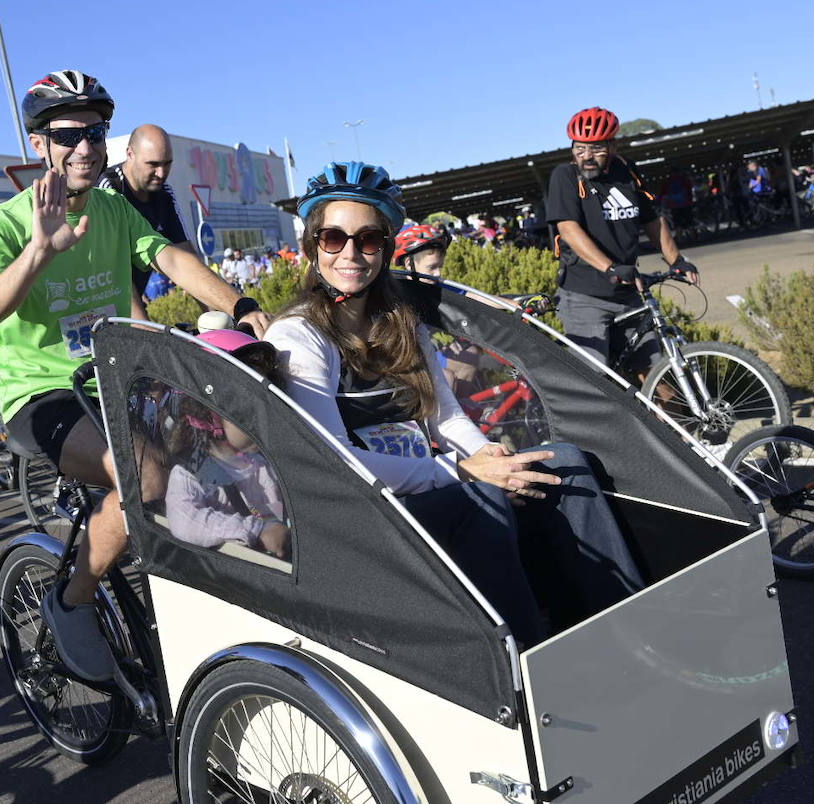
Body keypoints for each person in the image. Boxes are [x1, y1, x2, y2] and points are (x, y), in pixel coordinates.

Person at [0, 68, 270, 683]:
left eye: (95, 133)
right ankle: (69, 601)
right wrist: (39, 251)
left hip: (113, 380)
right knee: (145, 475)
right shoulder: (3, 225)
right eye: (66, 135)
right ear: (38, 144)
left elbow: (172, 259)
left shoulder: (113, 210)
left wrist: (242, 307)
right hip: (43, 392)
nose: (84, 147)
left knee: (237, 453)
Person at [264, 162, 645, 647]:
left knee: (562, 463)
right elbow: (337, 463)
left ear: (386, 247)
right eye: (334, 238)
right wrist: (465, 474)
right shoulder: (299, 335)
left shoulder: (400, 321)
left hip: (434, 484)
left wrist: (492, 458)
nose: (352, 253)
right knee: (481, 497)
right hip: (372, 515)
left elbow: (445, 416)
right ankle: (522, 663)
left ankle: (619, 627)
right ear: (312, 247)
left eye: (369, 239)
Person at [544, 108, 698, 368]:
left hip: (627, 292)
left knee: (656, 372)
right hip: (584, 296)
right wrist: (610, 267)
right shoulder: (565, 176)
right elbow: (568, 229)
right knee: (596, 378)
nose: (587, 157)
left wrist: (677, 261)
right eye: (580, 149)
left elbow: (651, 219)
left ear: (613, 146)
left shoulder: (626, 171)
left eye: (596, 149)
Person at [162, 330, 290, 558]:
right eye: (248, 413)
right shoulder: (192, 473)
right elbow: (184, 520)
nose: (262, 420)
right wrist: (256, 530)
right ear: (207, 418)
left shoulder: (270, 459)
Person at [98, 124, 195, 320]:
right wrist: (144, 326)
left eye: (167, 163)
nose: (161, 173)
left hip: (133, 308)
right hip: (101, 311)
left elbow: (185, 256)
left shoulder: (165, 194)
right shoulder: (108, 189)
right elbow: (114, 268)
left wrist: (225, 317)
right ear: (130, 154)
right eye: (153, 164)